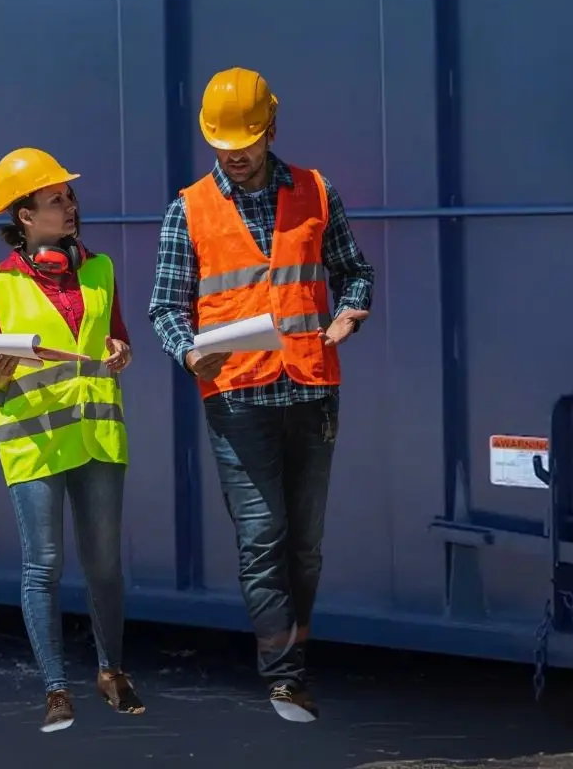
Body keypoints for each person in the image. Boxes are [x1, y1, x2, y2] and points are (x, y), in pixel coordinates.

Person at [146, 68, 375, 723]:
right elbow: (166, 308)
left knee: (304, 543)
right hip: (237, 397)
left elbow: (353, 271)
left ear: (271, 129)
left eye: (244, 141)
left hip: (311, 388)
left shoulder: (315, 191)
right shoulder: (187, 209)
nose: (233, 154)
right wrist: (188, 348)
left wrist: (347, 317)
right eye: (222, 144)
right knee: (262, 535)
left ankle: (295, 648)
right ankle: (283, 675)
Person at [0, 146, 148, 732]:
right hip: (34, 441)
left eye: (69, 196)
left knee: (104, 566)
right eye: (55, 200)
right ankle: (56, 689)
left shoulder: (100, 270)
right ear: (24, 217)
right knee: (42, 566)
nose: (69, 206)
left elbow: (119, 338)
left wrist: (121, 351)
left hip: (97, 437)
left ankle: (112, 671)